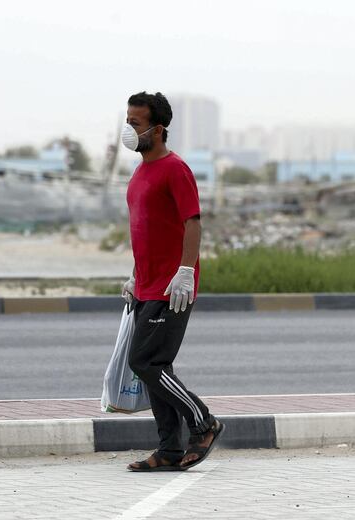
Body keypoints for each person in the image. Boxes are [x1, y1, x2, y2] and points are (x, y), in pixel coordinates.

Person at [121, 91, 224, 472]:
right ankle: (169, 449)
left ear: (157, 129)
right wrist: (134, 274)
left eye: (135, 123)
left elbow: (191, 223)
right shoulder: (139, 172)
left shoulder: (175, 169)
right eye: (127, 121)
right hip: (147, 284)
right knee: (156, 367)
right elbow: (145, 229)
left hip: (172, 287)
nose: (128, 129)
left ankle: (205, 422)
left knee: (144, 361)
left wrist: (185, 271)